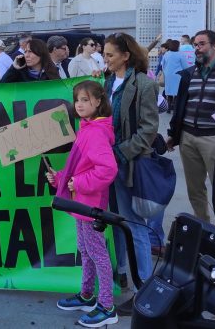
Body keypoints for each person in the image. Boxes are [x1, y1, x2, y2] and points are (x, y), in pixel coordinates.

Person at [48, 80, 119, 327]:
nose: (79, 104)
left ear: (98, 102)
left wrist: (77, 184)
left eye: (85, 100)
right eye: (77, 99)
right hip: (81, 204)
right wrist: (59, 177)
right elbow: (80, 165)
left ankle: (107, 306)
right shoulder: (87, 127)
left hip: (90, 206)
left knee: (97, 254)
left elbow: (108, 170)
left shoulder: (96, 132)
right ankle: (87, 295)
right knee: (86, 249)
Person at [103, 32, 160, 313]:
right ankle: (121, 273)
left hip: (129, 164)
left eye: (111, 55)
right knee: (115, 222)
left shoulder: (144, 85)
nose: (106, 59)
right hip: (108, 164)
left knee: (135, 225)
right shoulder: (108, 80)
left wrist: (119, 153)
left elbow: (149, 129)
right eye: (104, 54)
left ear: (126, 56)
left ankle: (144, 289)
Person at [167, 30, 215, 222]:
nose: (197, 48)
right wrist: (173, 134)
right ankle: (203, 229)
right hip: (188, 137)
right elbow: (180, 107)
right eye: (195, 45)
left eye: (201, 44)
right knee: (195, 189)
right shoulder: (189, 74)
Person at [160, 40, 189, 111]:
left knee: (169, 92)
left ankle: (169, 107)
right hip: (178, 75)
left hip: (168, 75)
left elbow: (162, 65)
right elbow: (185, 66)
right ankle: (176, 107)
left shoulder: (166, 54)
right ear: (178, 46)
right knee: (177, 92)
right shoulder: (181, 55)